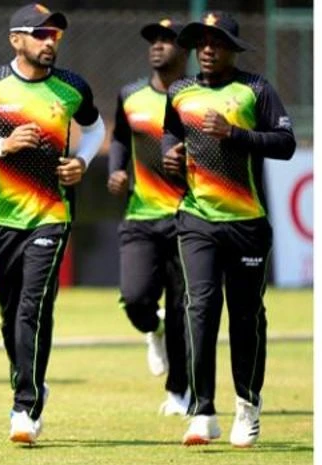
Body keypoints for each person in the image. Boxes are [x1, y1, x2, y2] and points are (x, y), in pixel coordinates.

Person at [0, 3, 105, 444]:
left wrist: (82, 160)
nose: (49, 41)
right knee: (11, 313)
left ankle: (24, 406)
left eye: (54, 34)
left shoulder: (73, 86)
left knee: (33, 308)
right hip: (0, 218)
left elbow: (94, 129)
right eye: (40, 34)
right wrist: (4, 144)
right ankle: (30, 379)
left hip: (52, 215)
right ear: (16, 40)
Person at [161, 11, 296, 447]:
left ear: (232, 49)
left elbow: (285, 144)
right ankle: (202, 413)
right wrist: (171, 155)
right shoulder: (180, 91)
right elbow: (169, 132)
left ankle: (247, 405)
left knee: (245, 317)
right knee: (198, 312)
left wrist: (235, 134)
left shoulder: (256, 89)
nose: (206, 48)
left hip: (247, 224)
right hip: (196, 217)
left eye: (216, 42)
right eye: (200, 41)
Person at [107, 18, 189, 415]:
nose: (157, 46)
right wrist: (116, 172)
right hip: (140, 215)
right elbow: (121, 138)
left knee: (182, 308)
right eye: (153, 40)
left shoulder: (197, 97)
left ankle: (178, 392)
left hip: (190, 217)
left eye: (167, 40)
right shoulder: (131, 94)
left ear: (185, 50)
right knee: (137, 299)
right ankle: (150, 329)